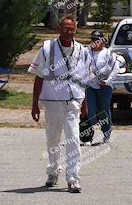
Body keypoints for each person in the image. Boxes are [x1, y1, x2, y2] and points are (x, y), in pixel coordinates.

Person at [28, 15, 89, 193]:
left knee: (74, 139)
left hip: (73, 103)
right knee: (53, 140)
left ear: (75, 30)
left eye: (72, 29)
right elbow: (39, 77)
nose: (69, 32)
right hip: (53, 103)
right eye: (65, 28)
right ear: (59, 29)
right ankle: (53, 171)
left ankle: (73, 178)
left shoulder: (82, 50)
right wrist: (34, 104)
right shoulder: (47, 49)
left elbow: (83, 79)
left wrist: (85, 104)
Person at [83, 30, 119, 145]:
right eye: (93, 39)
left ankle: (106, 133)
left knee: (103, 110)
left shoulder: (109, 53)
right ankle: (88, 136)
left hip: (105, 86)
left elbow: (115, 69)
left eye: (97, 40)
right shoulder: (85, 52)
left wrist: (107, 81)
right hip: (90, 86)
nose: (95, 42)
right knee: (90, 110)